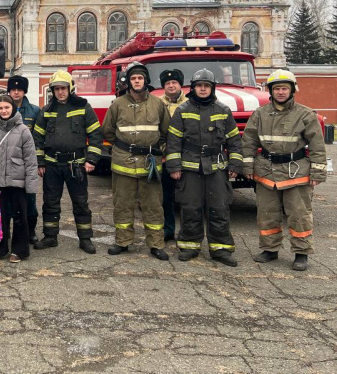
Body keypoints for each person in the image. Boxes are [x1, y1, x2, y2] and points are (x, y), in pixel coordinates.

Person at [242, 69, 326, 271]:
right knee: (267, 214)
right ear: (271, 91)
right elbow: (249, 141)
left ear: (292, 90)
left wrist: (318, 172)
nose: (280, 92)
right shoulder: (260, 114)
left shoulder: (305, 114)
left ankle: (301, 253)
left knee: (299, 215)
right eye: (277, 88)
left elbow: (317, 146)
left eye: (284, 88)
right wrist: (247, 166)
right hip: (266, 172)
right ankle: (269, 250)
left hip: (295, 172)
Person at [165, 69, 243, 266]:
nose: (202, 89)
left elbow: (234, 141)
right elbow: (173, 142)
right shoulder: (183, 111)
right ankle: (189, 247)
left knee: (219, 208)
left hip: (216, 167)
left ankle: (221, 250)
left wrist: (234, 164)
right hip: (190, 168)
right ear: (193, 88)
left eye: (206, 86)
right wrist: (174, 166)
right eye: (199, 85)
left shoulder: (223, 110)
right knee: (190, 208)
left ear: (212, 88)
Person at [102, 62, 170, 260]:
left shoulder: (158, 104)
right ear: (128, 82)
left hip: (150, 165)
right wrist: (126, 147)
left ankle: (156, 244)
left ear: (145, 80)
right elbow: (107, 130)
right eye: (133, 78)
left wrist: (157, 150)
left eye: (140, 78)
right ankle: (123, 241)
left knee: (153, 206)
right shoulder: (118, 105)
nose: (137, 81)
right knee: (122, 204)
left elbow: (166, 132)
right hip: (124, 164)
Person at [32, 70, 102, 254]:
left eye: (63, 88)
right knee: (50, 202)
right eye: (56, 89)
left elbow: (95, 134)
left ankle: (85, 238)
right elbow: (37, 137)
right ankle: (50, 236)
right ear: (53, 91)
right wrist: (40, 162)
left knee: (80, 202)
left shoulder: (83, 107)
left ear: (70, 88)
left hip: (76, 165)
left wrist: (92, 159)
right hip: (52, 165)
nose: (60, 92)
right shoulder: (46, 111)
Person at [0, 95, 38, 262]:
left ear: (13, 108)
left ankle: (19, 251)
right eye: (0, 108)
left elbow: (31, 160)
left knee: (20, 217)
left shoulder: (23, 131)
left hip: (17, 182)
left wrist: (31, 186)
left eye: (7, 107)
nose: (3, 111)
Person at [7, 75, 41, 244]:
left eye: (19, 89)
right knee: (7, 201)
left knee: (30, 199)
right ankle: (6, 233)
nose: (16, 92)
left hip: (27, 162)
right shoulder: (3, 109)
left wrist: (38, 161)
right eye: (13, 89)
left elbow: (39, 137)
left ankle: (30, 231)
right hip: (8, 162)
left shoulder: (35, 111)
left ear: (24, 91)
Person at [159, 68, 187, 242]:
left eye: (174, 82)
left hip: (186, 157)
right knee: (166, 197)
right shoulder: (157, 103)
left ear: (180, 85)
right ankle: (168, 230)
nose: (171, 85)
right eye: (167, 83)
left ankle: (186, 233)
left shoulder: (190, 103)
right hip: (164, 156)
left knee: (187, 198)